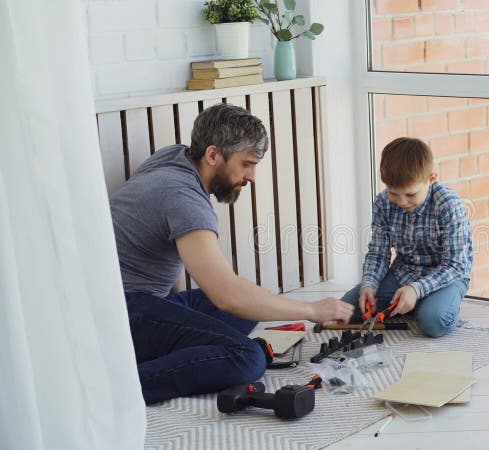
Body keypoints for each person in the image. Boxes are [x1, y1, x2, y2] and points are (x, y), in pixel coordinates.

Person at [110, 103, 353, 404]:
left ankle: (171, 352)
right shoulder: (182, 198)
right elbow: (228, 295)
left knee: (252, 305)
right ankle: (118, 388)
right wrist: (311, 311)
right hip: (119, 314)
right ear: (212, 155)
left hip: (132, 301)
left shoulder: (176, 156)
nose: (251, 177)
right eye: (246, 164)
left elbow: (233, 300)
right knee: (247, 358)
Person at [341, 137, 473, 337]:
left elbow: (455, 266)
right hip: (404, 272)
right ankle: (411, 303)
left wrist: (416, 289)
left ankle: (424, 303)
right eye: (394, 193)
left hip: (446, 276)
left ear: (431, 179)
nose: (401, 201)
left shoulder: (449, 205)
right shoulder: (383, 203)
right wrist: (369, 284)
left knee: (434, 322)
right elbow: (378, 253)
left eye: (410, 194)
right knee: (346, 311)